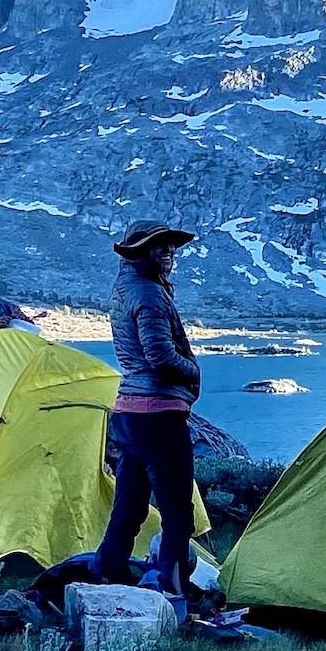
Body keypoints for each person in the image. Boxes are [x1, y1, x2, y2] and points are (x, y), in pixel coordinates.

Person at [97, 222, 203, 594]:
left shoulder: (124, 289)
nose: (169, 253)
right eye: (159, 248)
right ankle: (173, 591)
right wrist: (194, 371)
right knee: (177, 513)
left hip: (129, 413)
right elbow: (160, 356)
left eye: (171, 247)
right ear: (139, 253)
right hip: (159, 413)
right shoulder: (150, 295)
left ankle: (105, 575)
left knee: (129, 505)